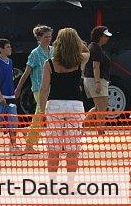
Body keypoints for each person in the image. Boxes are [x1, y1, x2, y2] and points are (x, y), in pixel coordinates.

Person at [37, 27, 89, 173]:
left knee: (53, 148)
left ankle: (52, 185)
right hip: (75, 105)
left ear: (57, 43)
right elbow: (87, 52)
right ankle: (70, 186)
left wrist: (41, 111)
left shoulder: (49, 63)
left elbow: (44, 89)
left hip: (54, 105)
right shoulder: (80, 61)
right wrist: (76, 41)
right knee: (73, 148)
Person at [13, 25, 52, 151]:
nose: (48, 39)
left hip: (51, 87)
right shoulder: (35, 53)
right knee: (41, 113)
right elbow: (26, 72)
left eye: (50, 36)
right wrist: (18, 88)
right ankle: (29, 144)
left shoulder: (53, 50)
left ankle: (28, 132)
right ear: (39, 38)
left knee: (41, 114)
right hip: (38, 88)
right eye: (46, 37)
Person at [0, 38, 21, 153]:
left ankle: (13, 146)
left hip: (10, 97)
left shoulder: (10, 61)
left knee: (13, 122)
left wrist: (15, 90)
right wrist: (0, 96)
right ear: (1, 49)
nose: (10, 48)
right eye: (7, 47)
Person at [84, 26, 113, 128]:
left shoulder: (93, 47)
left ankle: (81, 126)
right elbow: (96, 66)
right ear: (100, 37)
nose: (107, 38)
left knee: (98, 107)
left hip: (92, 79)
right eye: (105, 36)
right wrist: (97, 83)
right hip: (96, 80)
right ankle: (100, 130)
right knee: (102, 107)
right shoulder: (95, 48)